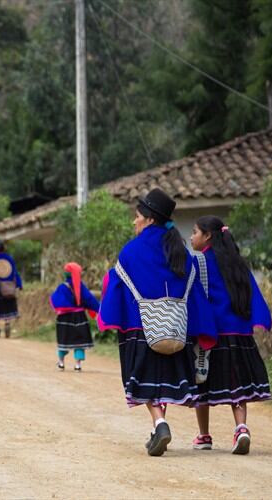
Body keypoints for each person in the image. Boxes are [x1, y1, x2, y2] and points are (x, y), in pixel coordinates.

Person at [98, 188, 217, 457]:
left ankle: (160, 423)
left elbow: (116, 285)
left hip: (142, 328)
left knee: (145, 381)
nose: (134, 221)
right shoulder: (182, 252)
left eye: (137, 216)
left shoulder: (131, 251)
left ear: (150, 219)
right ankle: (157, 427)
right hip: (175, 329)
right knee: (163, 381)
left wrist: (110, 317)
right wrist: (201, 328)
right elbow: (194, 291)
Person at [189, 216, 272, 455]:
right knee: (237, 385)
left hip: (211, 332)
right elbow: (252, 292)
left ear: (207, 236)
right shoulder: (237, 263)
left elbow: (192, 297)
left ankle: (204, 435)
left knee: (201, 382)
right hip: (239, 332)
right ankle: (241, 428)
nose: (191, 236)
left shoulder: (198, 263)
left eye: (194, 231)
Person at [50, 262, 100, 372]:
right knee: (79, 342)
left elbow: (55, 300)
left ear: (65, 274)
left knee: (63, 340)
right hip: (79, 317)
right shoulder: (81, 287)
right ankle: (78, 365)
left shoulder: (62, 287)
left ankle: (61, 363)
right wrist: (99, 309)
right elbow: (89, 299)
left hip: (64, 318)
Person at [0, 240, 23, 338]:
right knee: (7, 307)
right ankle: (7, 323)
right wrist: (19, 284)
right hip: (8, 288)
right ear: (4, 248)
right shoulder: (10, 259)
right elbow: (15, 273)